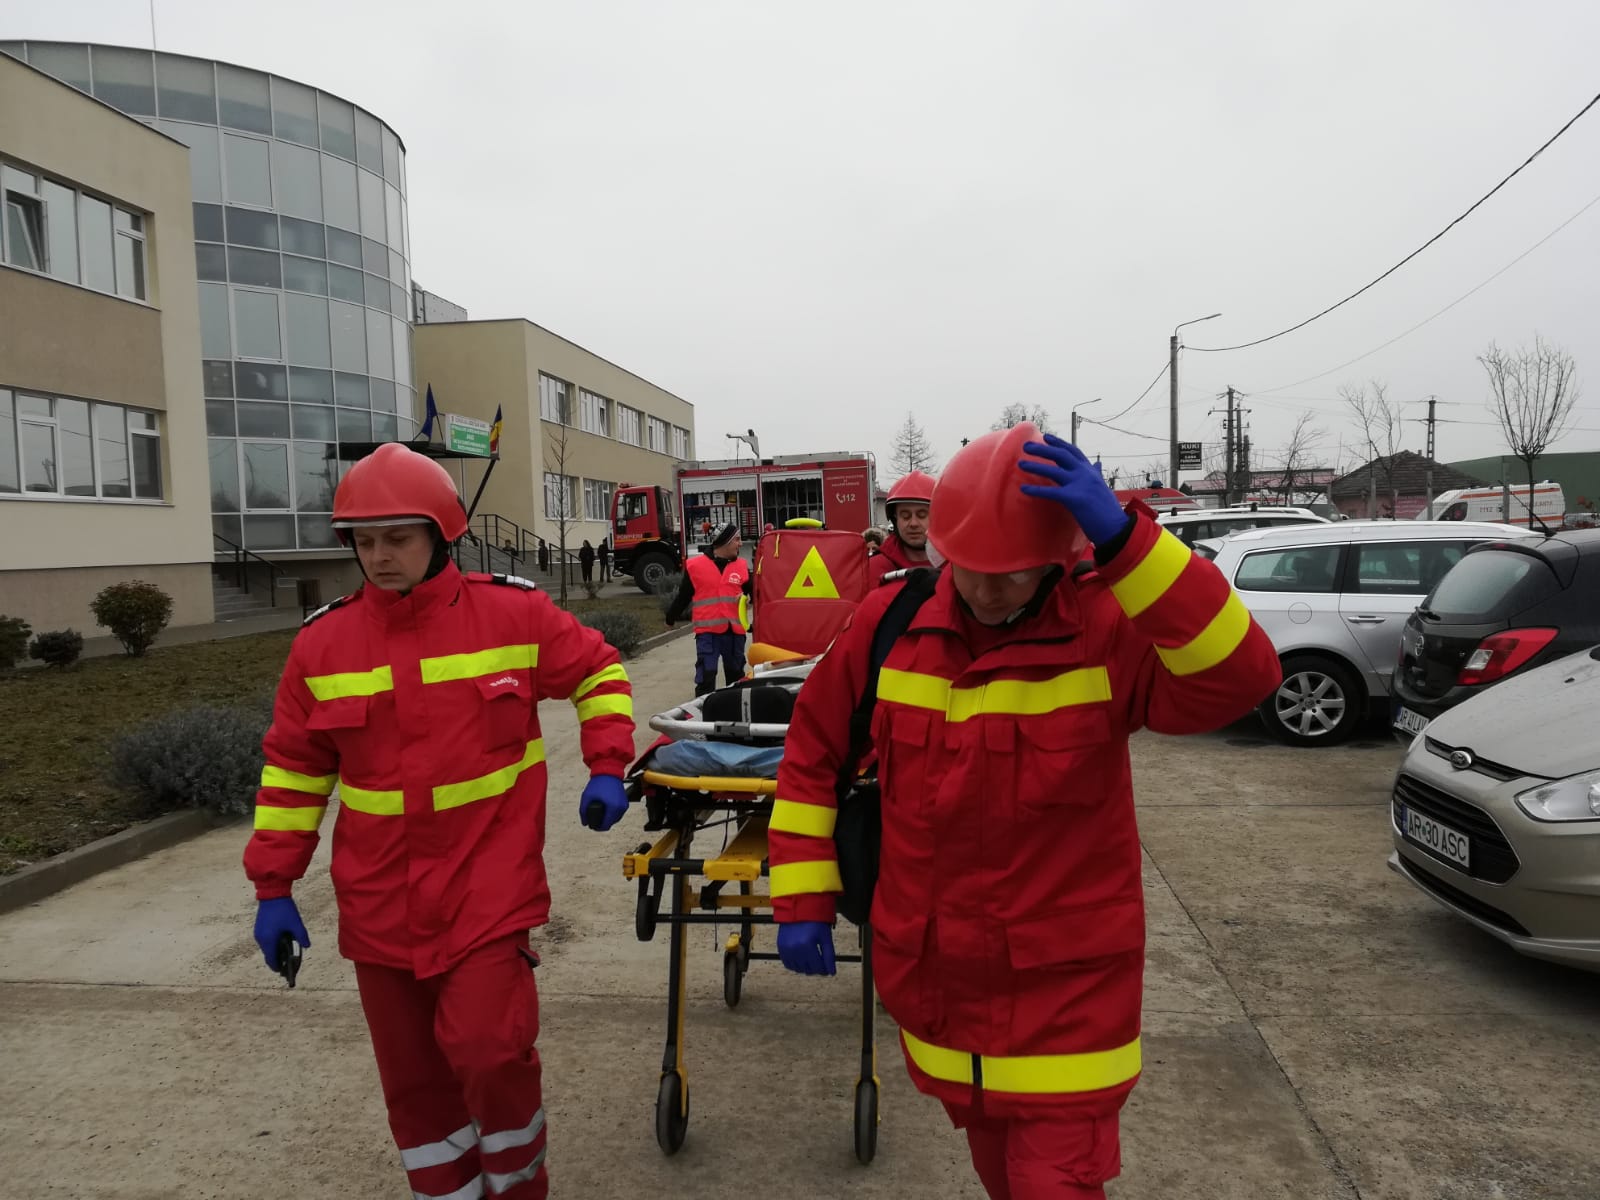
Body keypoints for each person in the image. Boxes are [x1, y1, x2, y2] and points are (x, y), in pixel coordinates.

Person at [767, 424, 1280, 1199]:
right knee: (999, 1176)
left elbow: (1241, 677)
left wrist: (1129, 545)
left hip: (1065, 1006)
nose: (984, 590)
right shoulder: (893, 621)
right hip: (940, 996)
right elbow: (813, 749)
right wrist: (803, 896)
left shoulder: (1104, 628)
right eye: (968, 567)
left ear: (1058, 559)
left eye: (1009, 573)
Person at [244, 443, 635, 1200]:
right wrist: (273, 887)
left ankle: (517, 1188)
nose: (380, 557)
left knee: (491, 1053)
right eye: (364, 541)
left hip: (489, 889)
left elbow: (599, 670)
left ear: (441, 533)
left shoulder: (514, 614)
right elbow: (293, 773)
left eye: (398, 538)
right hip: (378, 903)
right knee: (415, 1084)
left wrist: (608, 763)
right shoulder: (321, 646)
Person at [663, 522, 752, 695]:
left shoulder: (741, 566)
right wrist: (670, 618)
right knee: (706, 676)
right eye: (737, 540)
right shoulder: (696, 566)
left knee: (736, 679)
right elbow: (684, 596)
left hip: (734, 633)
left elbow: (756, 592)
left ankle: (733, 710)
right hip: (708, 634)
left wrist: (747, 598)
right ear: (725, 541)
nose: (740, 544)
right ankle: (704, 710)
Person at [871, 470, 937, 585]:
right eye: (905, 516)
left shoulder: (957, 568)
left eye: (922, 515)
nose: (913, 523)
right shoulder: (874, 568)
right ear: (895, 519)